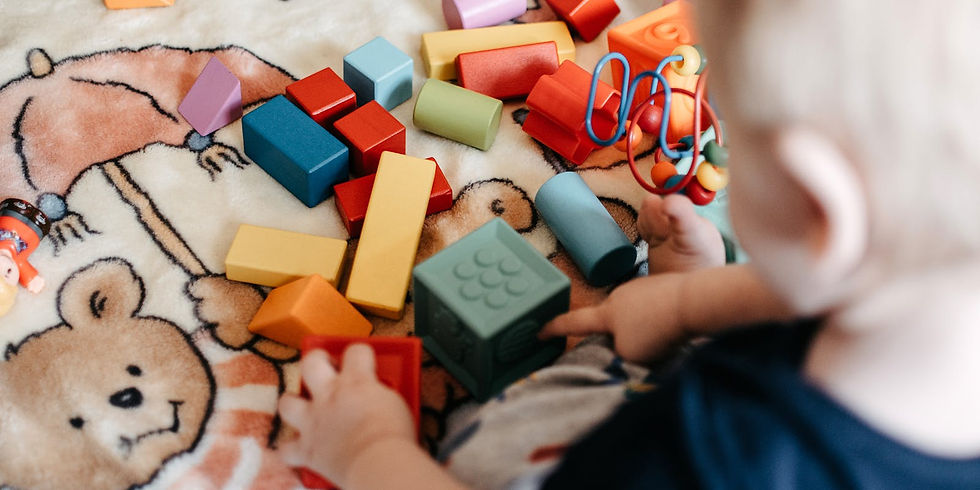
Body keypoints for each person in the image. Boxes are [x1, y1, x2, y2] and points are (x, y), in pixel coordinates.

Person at [277, 0, 980, 487]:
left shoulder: (693, 464)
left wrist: (370, 452)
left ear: (816, 208)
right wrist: (682, 305)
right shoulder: (932, 290)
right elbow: (828, 295)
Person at [0, 198, 49, 316]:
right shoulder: (18, 262)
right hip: (36, 228)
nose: (3, 268)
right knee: (41, 221)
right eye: (7, 275)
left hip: (10, 211)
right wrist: (31, 280)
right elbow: (30, 276)